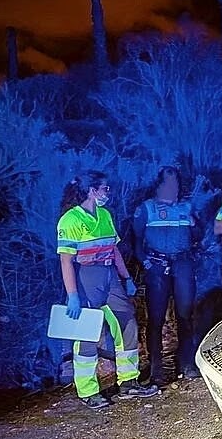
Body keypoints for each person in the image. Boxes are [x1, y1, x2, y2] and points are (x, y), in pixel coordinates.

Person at [57, 171, 159, 409]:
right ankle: (88, 391)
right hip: (85, 277)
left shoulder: (104, 215)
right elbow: (65, 261)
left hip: (109, 275)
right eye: (105, 188)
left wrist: (126, 278)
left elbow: (113, 251)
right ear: (92, 190)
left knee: (127, 325)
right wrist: (73, 295)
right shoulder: (70, 220)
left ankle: (128, 382)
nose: (108, 193)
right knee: (87, 335)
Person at [133, 166, 201, 385]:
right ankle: (156, 370)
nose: (173, 188)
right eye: (168, 184)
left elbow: (199, 235)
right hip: (157, 266)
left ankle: (187, 364)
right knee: (156, 318)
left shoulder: (186, 207)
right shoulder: (147, 208)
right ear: (159, 185)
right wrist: (146, 263)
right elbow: (134, 241)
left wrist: (194, 223)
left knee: (185, 315)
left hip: (182, 264)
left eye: (176, 184)